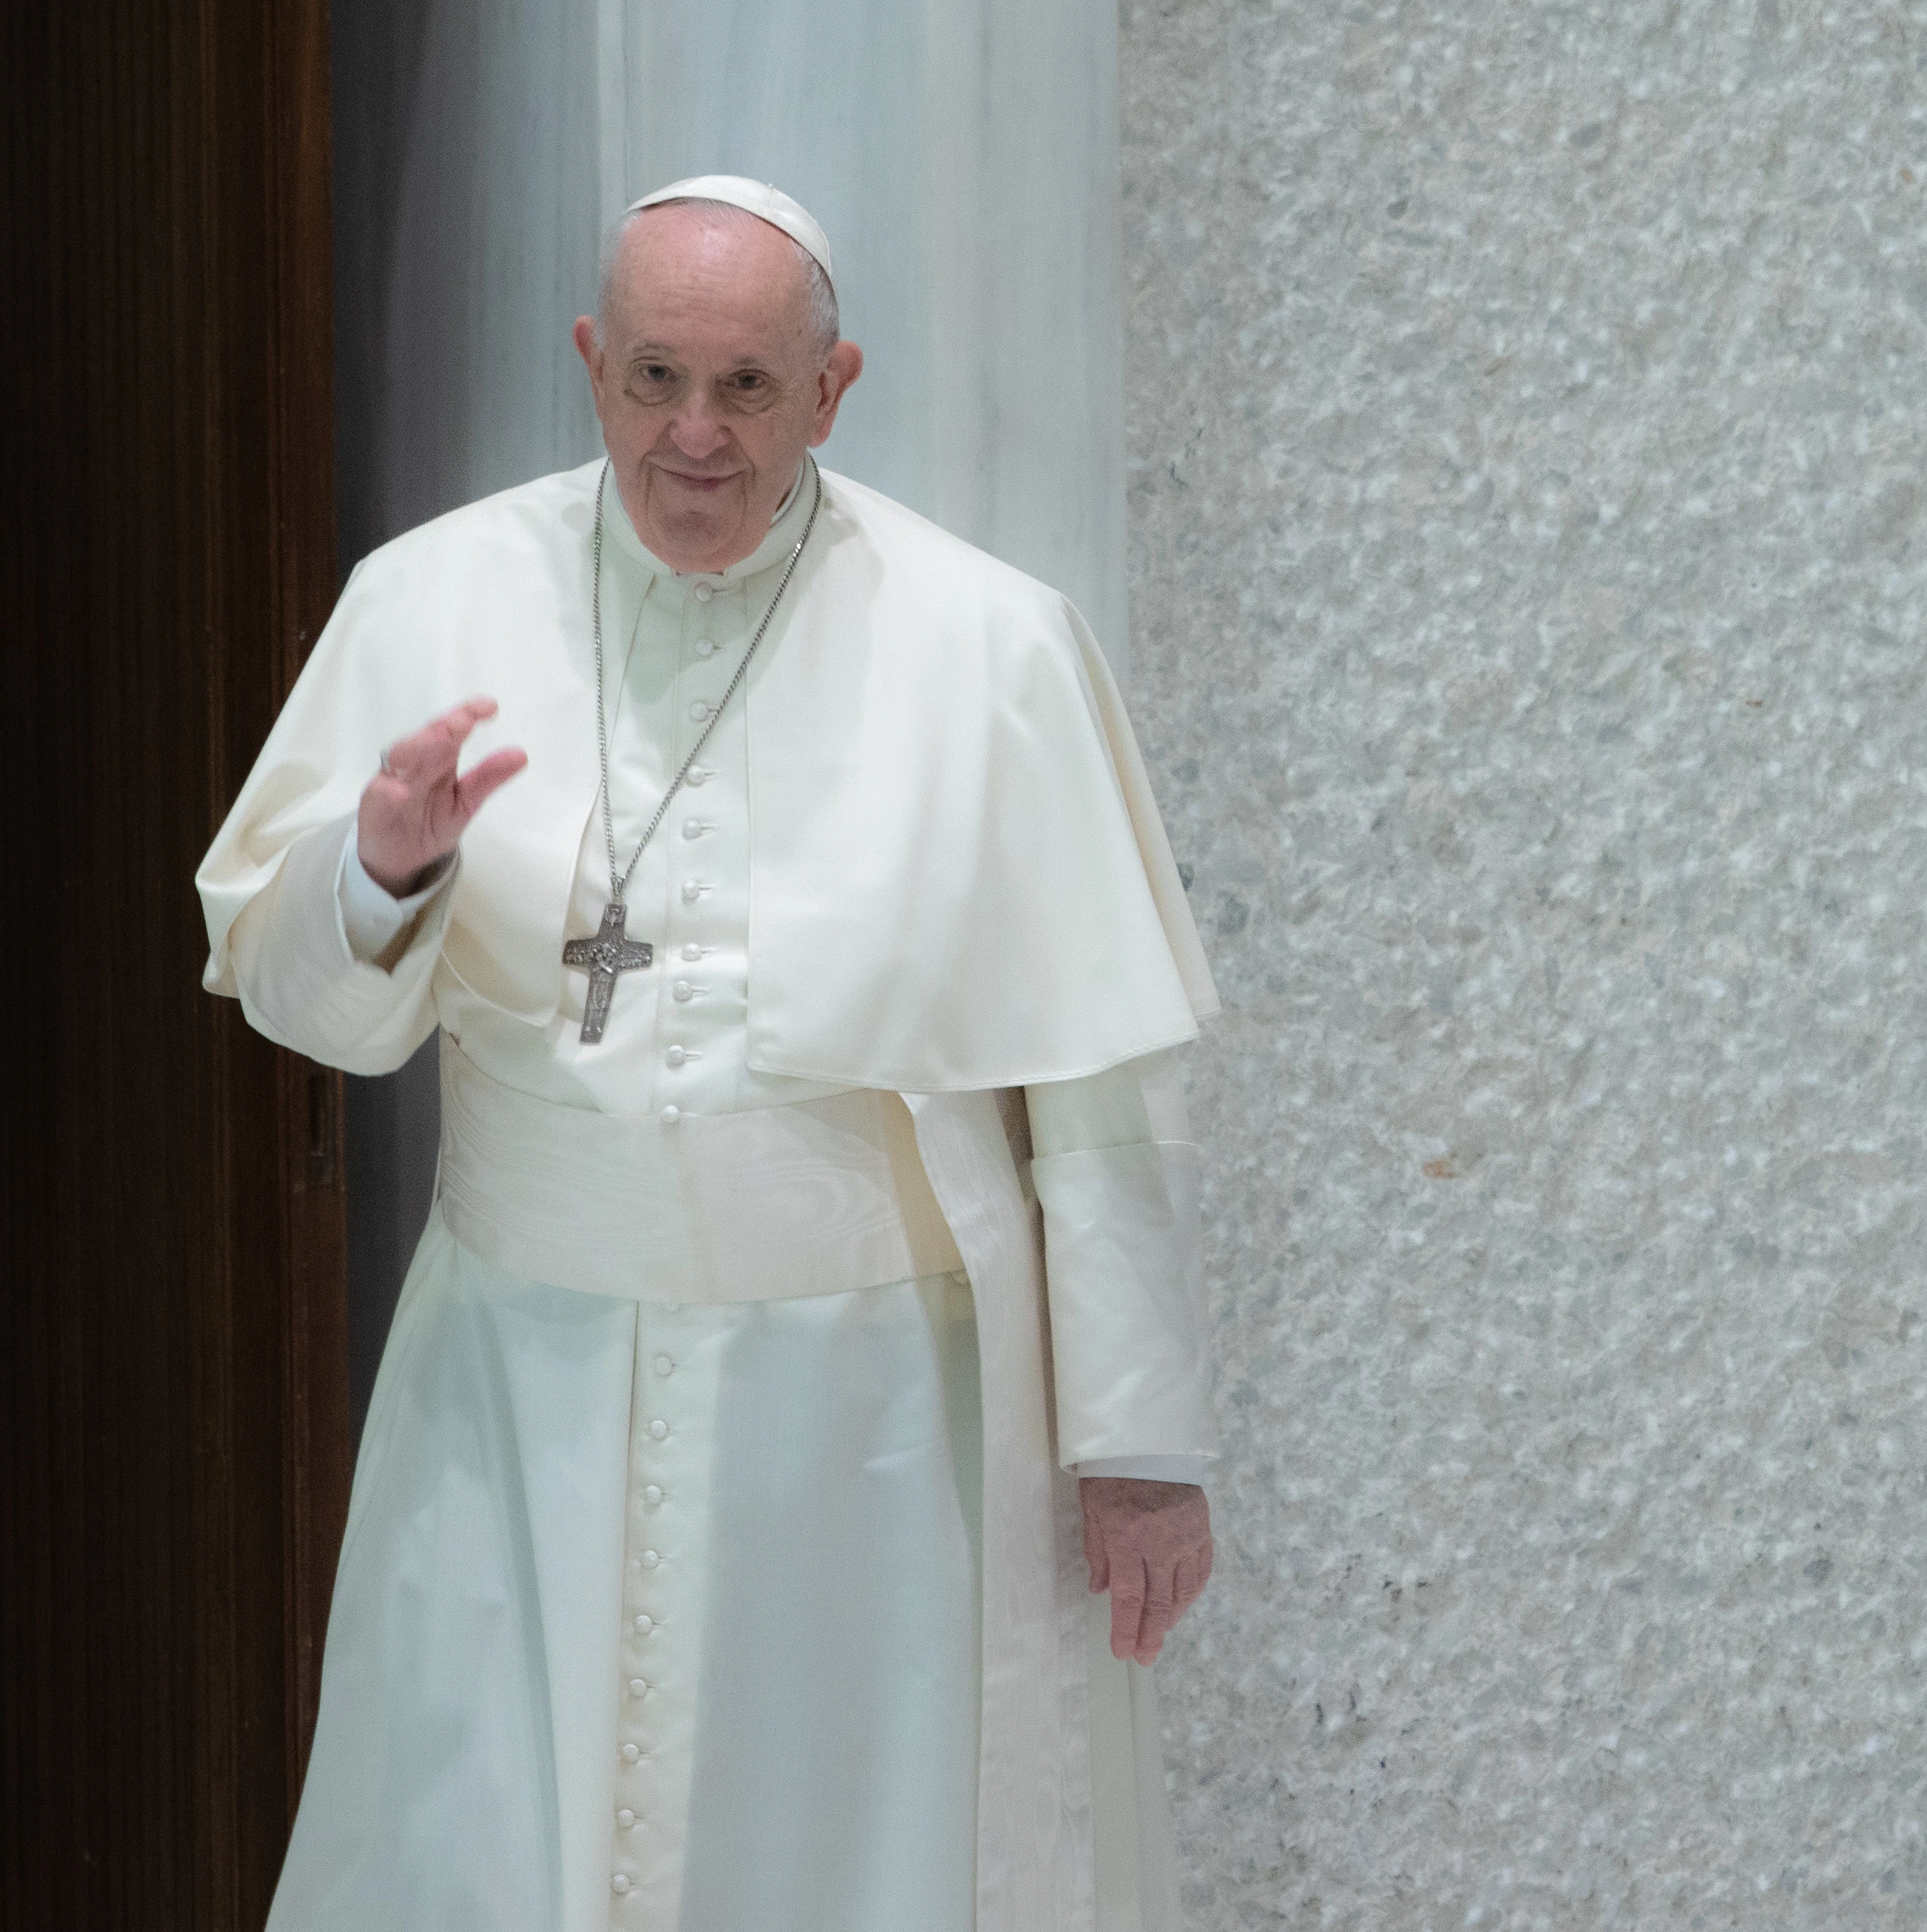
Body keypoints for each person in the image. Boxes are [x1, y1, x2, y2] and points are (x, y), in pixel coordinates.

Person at [196, 176, 1222, 1932]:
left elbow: (1104, 1093)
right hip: (516, 1386)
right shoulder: (427, 596)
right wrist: (379, 870)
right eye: (653, 374)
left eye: (747, 386)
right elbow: (313, 1012)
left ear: (833, 391)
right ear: (591, 363)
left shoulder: (993, 644)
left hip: (873, 1416)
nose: (693, 432)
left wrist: (1136, 1440)